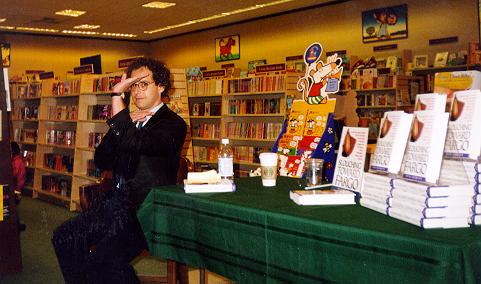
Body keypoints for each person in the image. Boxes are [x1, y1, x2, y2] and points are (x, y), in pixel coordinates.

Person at [52, 58, 187, 283]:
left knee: (106, 260)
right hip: (115, 204)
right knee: (63, 237)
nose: (137, 92)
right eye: (133, 86)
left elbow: (138, 144)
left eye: (144, 84)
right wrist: (121, 126)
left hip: (146, 212)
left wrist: (118, 103)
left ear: (161, 86)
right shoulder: (128, 120)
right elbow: (102, 160)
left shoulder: (174, 124)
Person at [11, 141, 26, 232]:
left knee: (12, 205)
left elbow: (14, 174)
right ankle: (16, 224)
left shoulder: (17, 161)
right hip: (17, 187)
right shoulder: (17, 159)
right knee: (13, 206)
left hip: (16, 188)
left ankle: (16, 225)